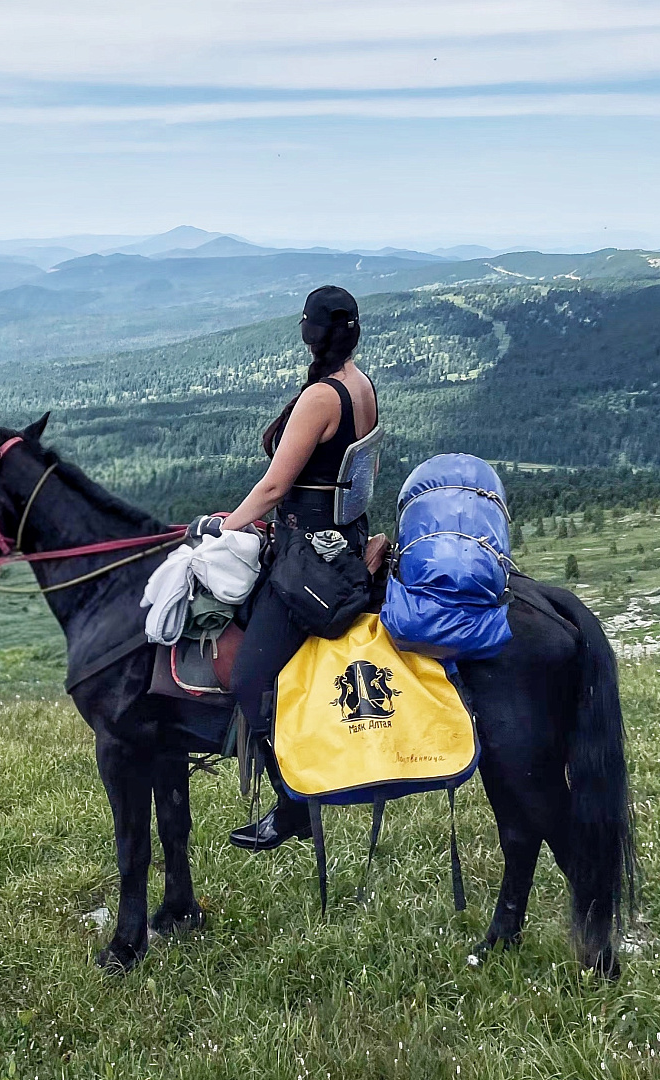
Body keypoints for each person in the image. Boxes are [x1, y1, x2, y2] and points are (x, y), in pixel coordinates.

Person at [188, 285, 381, 850]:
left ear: (311, 332)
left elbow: (275, 487)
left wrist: (225, 528)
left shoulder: (321, 396)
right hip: (345, 539)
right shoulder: (360, 384)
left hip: (309, 559)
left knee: (250, 679)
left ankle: (293, 804)